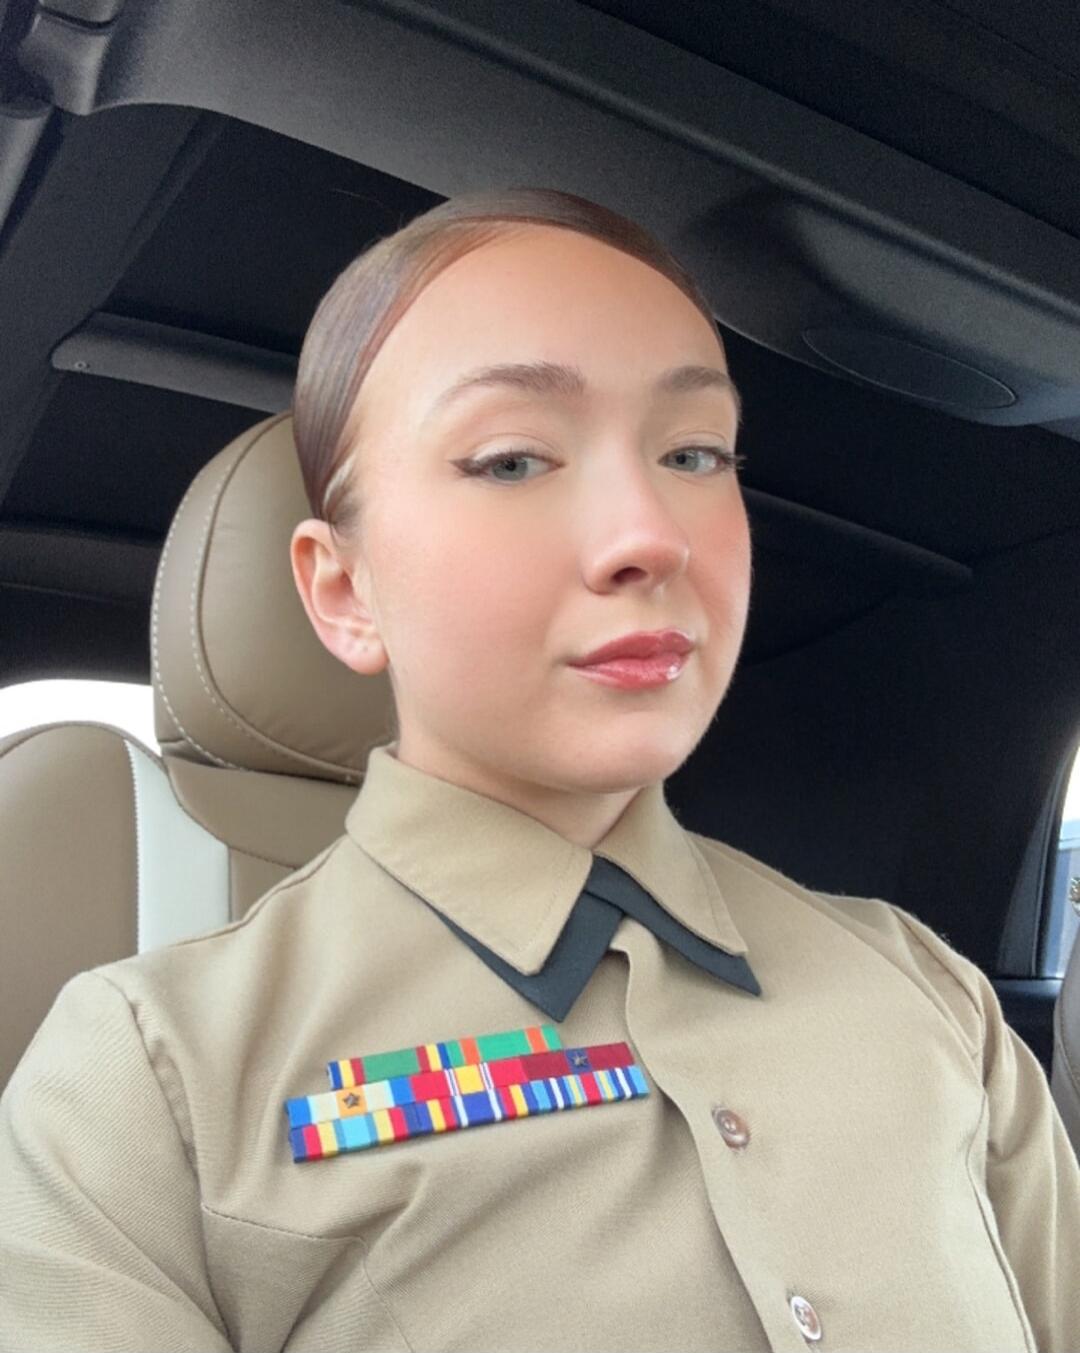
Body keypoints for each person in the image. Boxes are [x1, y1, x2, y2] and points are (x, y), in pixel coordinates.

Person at [2, 186, 1079, 1352]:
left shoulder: (929, 993)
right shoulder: (148, 1083)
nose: (648, 533)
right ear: (343, 591)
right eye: (513, 459)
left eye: (694, 450)